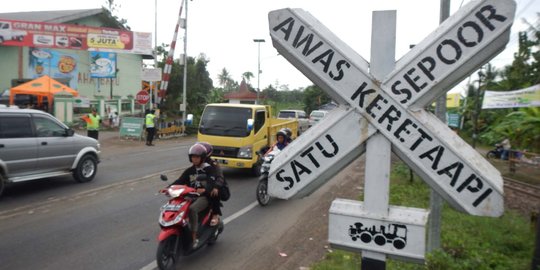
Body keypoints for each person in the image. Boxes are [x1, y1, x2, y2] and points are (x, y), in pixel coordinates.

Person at [171, 144, 218, 248]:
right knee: (177, 207)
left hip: (204, 197)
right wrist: (168, 188)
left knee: (192, 209)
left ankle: (194, 235)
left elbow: (211, 182)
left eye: (197, 157)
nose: (194, 159)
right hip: (190, 196)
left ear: (202, 158)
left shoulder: (208, 169)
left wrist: (205, 190)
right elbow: (179, 181)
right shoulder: (189, 171)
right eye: (193, 157)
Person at [197, 142, 225, 226]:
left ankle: (215, 215)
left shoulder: (214, 164)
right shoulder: (197, 163)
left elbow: (220, 177)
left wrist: (216, 187)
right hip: (199, 185)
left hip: (214, 185)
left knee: (213, 193)